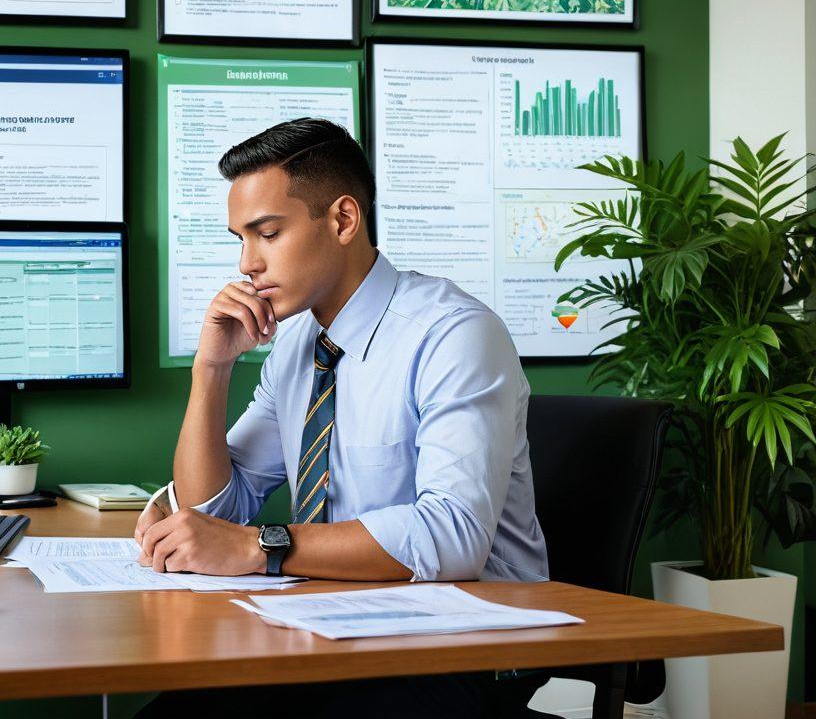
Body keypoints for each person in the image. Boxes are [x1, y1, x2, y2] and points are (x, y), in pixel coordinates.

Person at [135, 118, 549, 718]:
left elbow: (453, 537)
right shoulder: (298, 342)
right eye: (240, 238)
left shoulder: (454, 335)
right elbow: (212, 513)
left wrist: (259, 547)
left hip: (463, 643)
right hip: (338, 624)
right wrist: (212, 369)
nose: (247, 262)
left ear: (344, 219)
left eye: (267, 233)